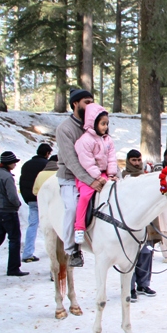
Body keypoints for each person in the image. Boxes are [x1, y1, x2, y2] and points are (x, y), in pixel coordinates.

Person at [56, 88, 97, 267]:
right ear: (75, 104)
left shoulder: (95, 125)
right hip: (70, 177)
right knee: (73, 208)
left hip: (94, 175)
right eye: (87, 102)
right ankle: (72, 249)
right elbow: (70, 160)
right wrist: (91, 180)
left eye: (92, 102)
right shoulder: (64, 129)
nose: (90, 106)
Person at [73, 104, 118, 246]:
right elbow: (87, 162)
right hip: (88, 176)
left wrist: (111, 174)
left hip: (104, 174)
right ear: (93, 123)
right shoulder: (84, 141)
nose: (105, 127)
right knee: (85, 196)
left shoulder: (107, 139)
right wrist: (98, 177)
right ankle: (79, 227)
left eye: (107, 124)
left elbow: (112, 158)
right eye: (102, 124)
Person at [122, 150, 158, 301]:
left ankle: (143, 284)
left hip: (146, 221)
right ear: (128, 161)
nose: (137, 163)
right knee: (131, 256)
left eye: (138, 160)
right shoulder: (124, 178)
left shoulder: (146, 177)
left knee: (146, 254)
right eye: (133, 160)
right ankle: (130, 287)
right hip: (129, 222)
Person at [0, 151, 29, 277]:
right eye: (14, 162)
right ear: (8, 163)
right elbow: (12, 196)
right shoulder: (7, 177)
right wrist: (17, 205)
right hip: (7, 211)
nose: (15, 164)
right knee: (14, 239)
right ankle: (13, 268)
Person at [19, 143, 52, 263]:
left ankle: (27, 253)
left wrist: (27, 198)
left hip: (31, 199)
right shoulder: (46, 165)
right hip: (44, 199)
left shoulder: (26, 164)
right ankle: (52, 251)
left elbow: (22, 182)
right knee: (51, 226)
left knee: (32, 225)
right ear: (47, 153)